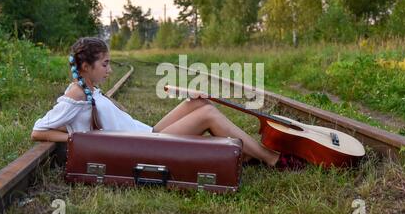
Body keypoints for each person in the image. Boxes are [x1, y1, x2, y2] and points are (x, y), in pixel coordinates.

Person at [31, 37, 303, 170]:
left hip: (146, 134)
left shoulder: (90, 87)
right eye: (105, 64)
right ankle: (270, 158)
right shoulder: (76, 94)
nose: (109, 70)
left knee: (197, 103)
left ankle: (249, 154)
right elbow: (39, 131)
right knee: (207, 113)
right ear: (87, 66)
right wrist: (78, 138)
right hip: (139, 147)